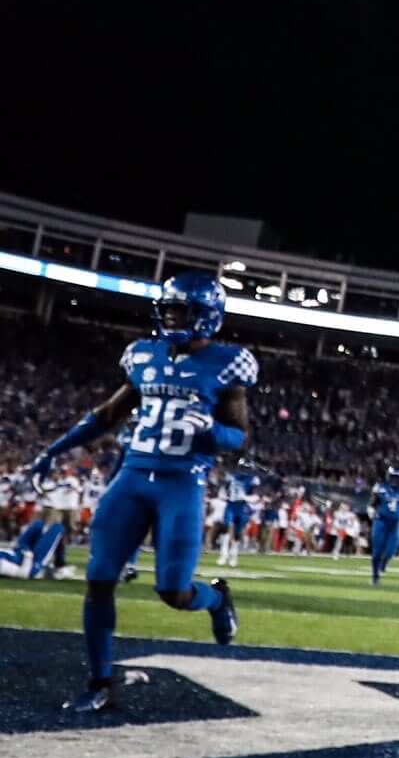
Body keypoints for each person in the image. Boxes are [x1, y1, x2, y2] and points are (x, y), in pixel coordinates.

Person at [22, 273, 254, 712]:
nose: (169, 316)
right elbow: (107, 414)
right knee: (99, 578)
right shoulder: (144, 354)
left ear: (205, 316)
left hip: (181, 483)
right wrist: (54, 449)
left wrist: (211, 430)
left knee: (173, 591)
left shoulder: (229, 362)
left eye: (179, 310)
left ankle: (217, 598)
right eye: (166, 308)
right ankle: (100, 681)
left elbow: (240, 438)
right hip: (131, 477)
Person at [367, 465, 399, 585]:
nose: (396, 480)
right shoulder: (380, 487)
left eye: (398, 477)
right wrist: (371, 511)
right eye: (394, 477)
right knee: (376, 552)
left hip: (395, 524)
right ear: (389, 476)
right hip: (381, 522)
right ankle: (375, 576)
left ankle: (385, 562)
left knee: (391, 550)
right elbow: (372, 504)